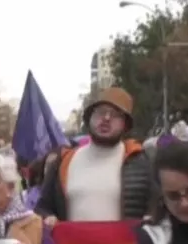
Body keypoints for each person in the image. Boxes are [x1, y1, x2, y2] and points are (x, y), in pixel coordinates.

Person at [36, 88, 155, 222]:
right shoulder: (63, 162)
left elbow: (156, 206)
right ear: (89, 117)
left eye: (115, 114)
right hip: (71, 243)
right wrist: (47, 218)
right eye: (101, 112)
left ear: (125, 124)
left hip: (127, 243)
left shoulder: (139, 162)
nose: (106, 118)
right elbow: (42, 208)